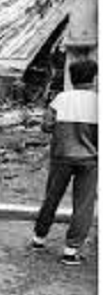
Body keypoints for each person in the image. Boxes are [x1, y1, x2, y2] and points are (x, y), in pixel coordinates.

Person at [30, 58, 98, 266]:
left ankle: (39, 239)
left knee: (51, 197)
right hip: (89, 160)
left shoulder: (60, 99)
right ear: (94, 78)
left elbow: (47, 127)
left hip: (62, 157)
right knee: (83, 205)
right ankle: (71, 251)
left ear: (71, 77)